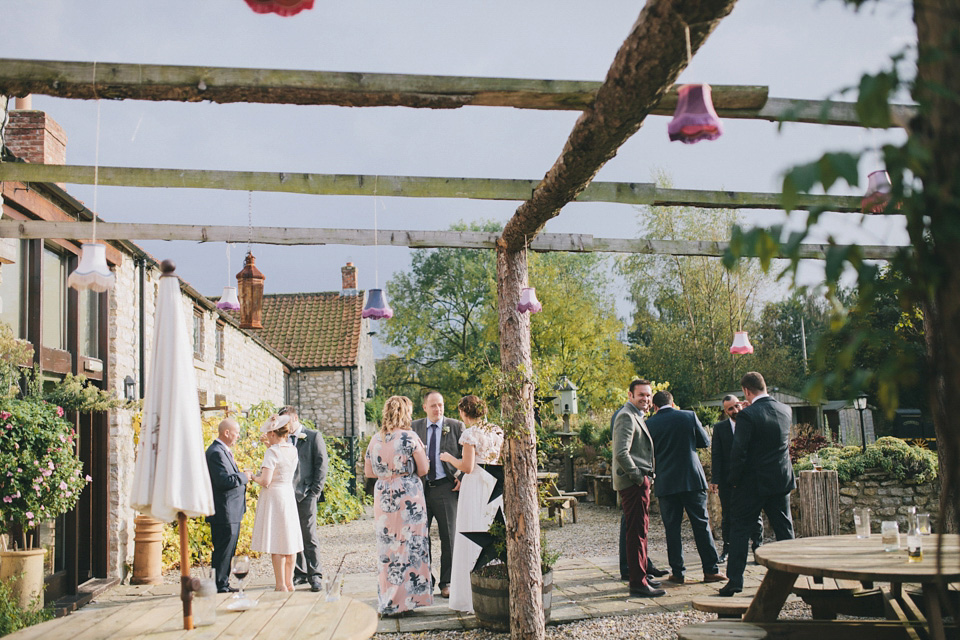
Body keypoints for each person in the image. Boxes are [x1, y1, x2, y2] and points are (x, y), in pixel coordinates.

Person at [718, 372, 796, 597]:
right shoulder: (785, 410)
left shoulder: (747, 416)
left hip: (751, 484)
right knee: (784, 529)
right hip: (780, 480)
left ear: (746, 391)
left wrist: (733, 481)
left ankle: (735, 581)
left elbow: (739, 452)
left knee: (740, 531)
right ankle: (790, 578)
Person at [645, 391, 725, 585]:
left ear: (655, 406)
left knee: (672, 529)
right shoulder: (688, 416)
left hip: (666, 480)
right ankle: (711, 570)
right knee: (701, 525)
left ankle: (678, 573)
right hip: (691, 478)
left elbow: (648, 451)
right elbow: (705, 442)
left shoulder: (648, 424)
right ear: (673, 403)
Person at [365, 396, 433, 616]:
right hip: (408, 494)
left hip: (384, 495)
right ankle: (408, 600)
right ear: (405, 413)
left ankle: (389, 600)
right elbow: (422, 470)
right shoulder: (410, 437)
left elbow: (368, 473)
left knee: (388, 548)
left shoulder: (375, 439)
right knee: (410, 545)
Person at [439, 395, 504, 613]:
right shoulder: (496, 430)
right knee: (491, 531)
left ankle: (468, 596)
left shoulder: (470, 434)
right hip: (494, 485)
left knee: (470, 533)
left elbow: (467, 466)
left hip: (476, 486)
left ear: (465, 413)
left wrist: (449, 459)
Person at [612, 379, 665, 598]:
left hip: (639, 483)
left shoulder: (636, 415)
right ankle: (638, 583)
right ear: (630, 395)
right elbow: (621, 453)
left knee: (640, 531)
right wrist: (639, 478)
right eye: (641, 395)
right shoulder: (626, 416)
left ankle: (641, 575)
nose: (645, 398)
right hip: (633, 484)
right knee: (636, 533)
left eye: (648, 395)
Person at [411, 391, 464, 598]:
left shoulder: (456, 426)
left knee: (449, 536)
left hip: (446, 487)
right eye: (433, 405)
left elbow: (468, 455)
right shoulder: (414, 427)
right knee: (420, 537)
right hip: (420, 488)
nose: (438, 409)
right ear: (424, 407)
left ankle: (447, 581)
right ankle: (426, 582)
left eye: (440, 405)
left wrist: (462, 476)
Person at [250, 414, 304, 591]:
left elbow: (266, 480)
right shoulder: (292, 449)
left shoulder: (271, 452)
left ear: (273, 434)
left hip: (274, 496)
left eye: (268, 434)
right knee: (289, 540)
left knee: (277, 541)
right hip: (287, 493)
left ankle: (280, 584)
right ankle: (289, 582)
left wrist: (252, 477)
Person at [278, 405, 329, 592]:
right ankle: (299, 573)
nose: (284, 426)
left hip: (306, 494)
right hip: (286, 494)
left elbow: (321, 465)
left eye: (286, 421)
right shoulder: (282, 439)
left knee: (309, 535)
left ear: (295, 418)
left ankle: (315, 575)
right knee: (292, 535)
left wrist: (315, 491)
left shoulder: (313, 436)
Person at [710, 395, 763, 564]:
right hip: (728, 479)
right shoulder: (720, 428)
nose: (735, 411)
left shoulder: (752, 422)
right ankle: (727, 549)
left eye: (737, 406)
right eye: (730, 409)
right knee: (728, 515)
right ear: (726, 412)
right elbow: (716, 455)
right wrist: (715, 479)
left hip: (750, 477)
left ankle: (757, 549)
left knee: (756, 515)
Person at [205, 418, 252, 593]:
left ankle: (222, 582)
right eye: (236, 432)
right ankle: (219, 584)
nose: (238, 436)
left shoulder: (222, 451)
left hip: (230, 510)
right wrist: (244, 476)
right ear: (226, 433)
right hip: (224, 510)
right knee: (223, 550)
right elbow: (224, 481)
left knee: (227, 549)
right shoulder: (216, 452)